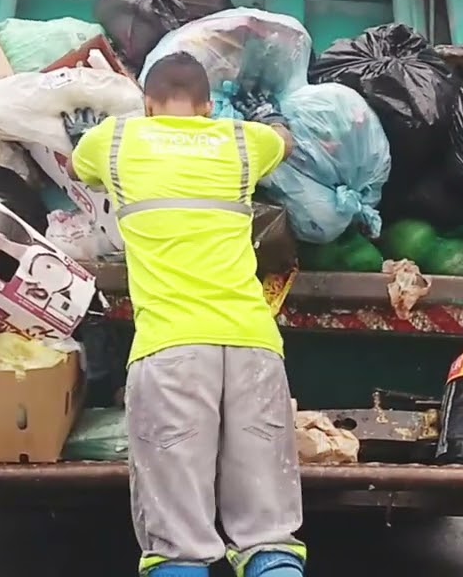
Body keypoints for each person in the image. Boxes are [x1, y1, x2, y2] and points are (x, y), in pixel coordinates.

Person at [63, 51, 306, 577]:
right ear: (208, 104)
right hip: (253, 348)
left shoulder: (116, 141)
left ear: (147, 104)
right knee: (269, 532)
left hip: (171, 352)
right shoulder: (242, 141)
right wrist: (273, 117)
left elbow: (77, 163)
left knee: (178, 538)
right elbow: (284, 143)